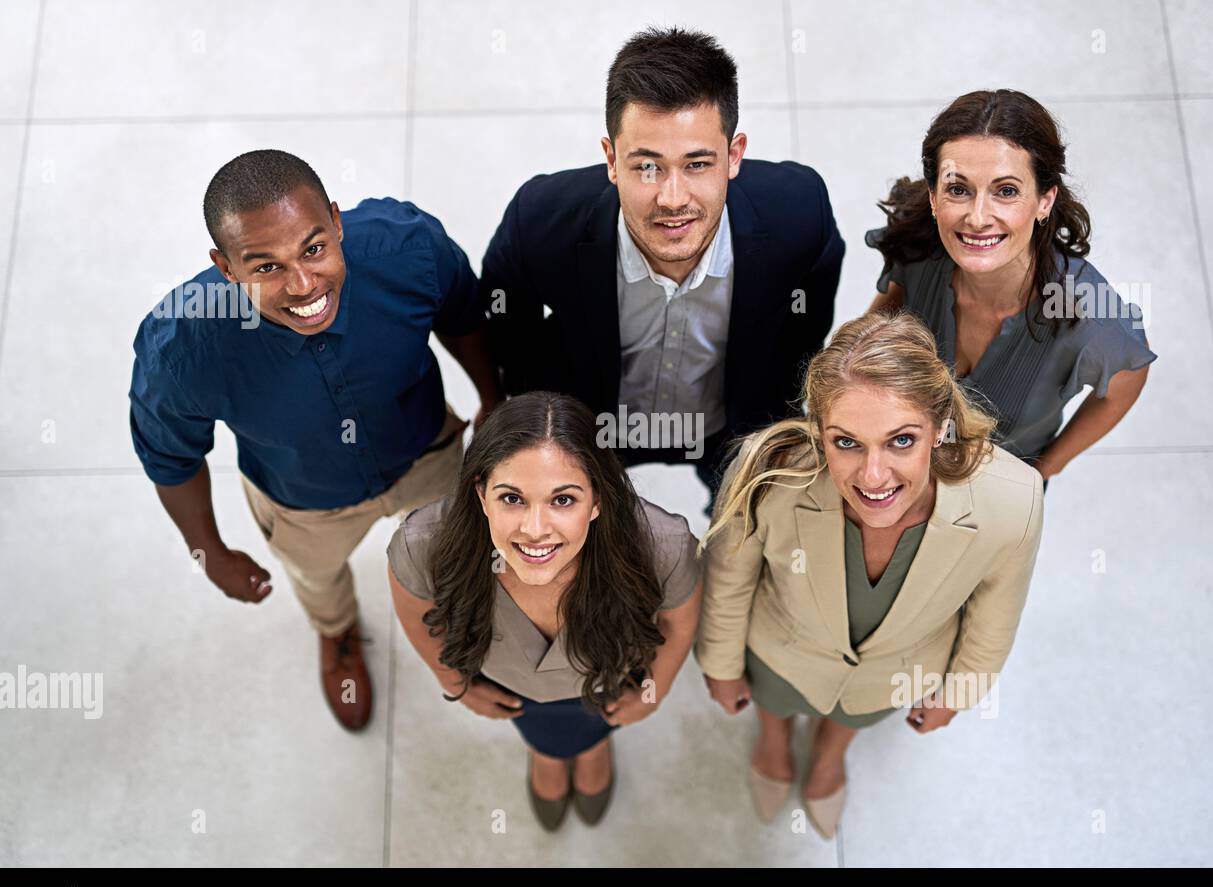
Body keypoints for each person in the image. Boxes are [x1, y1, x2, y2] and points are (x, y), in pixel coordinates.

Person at [128, 149, 503, 732]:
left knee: (452, 552)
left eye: (313, 248)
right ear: (225, 267)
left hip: (426, 451)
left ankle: (456, 610)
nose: (304, 285)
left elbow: (463, 316)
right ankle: (339, 635)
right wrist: (208, 551)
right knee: (317, 581)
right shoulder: (181, 346)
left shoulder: (407, 247)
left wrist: (491, 399)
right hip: (301, 500)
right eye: (265, 267)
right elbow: (170, 457)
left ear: (335, 221)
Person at [695, 311, 1044, 839]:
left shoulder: (1013, 499)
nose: (873, 476)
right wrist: (721, 666)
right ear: (819, 433)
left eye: (901, 441)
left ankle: (830, 756)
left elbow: (995, 616)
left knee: (852, 718)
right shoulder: (768, 472)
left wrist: (959, 693)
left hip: (896, 672)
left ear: (940, 426)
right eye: (846, 442)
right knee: (775, 701)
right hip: (780, 649)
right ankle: (773, 742)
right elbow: (728, 582)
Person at [480, 27, 845, 511]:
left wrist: (778, 404)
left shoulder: (799, 213)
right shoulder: (541, 220)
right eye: (647, 167)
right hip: (595, 423)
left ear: (734, 156)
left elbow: (807, 321)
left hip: (731, 424)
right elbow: (508, 329)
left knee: (746, 529)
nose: (673, 199)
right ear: (611, 160)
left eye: (697, 164)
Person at [388, 391, 702, 831]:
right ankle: (546, 752)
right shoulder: (423, 543)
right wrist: (453, 680)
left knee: (595, 729)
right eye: (512, 499)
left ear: (597, 500)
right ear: (481, 495)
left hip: (608, 680)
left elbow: (678, 619)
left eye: (563, 500)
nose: (535, 531)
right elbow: (413, 606)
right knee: (543, 736)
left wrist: (655, 690)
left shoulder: (662, 546)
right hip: (511, 688)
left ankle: (593, 749)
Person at [866, 89, 1156, 488]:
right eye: (958, 189)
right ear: (933, 197)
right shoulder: (919, 245)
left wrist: (1044, 469)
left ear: (1044, 200)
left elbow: (1125, 385)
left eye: (1006, 191)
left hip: (996, 488)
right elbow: (882, 318)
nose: (978, 217)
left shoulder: (1094, 317)